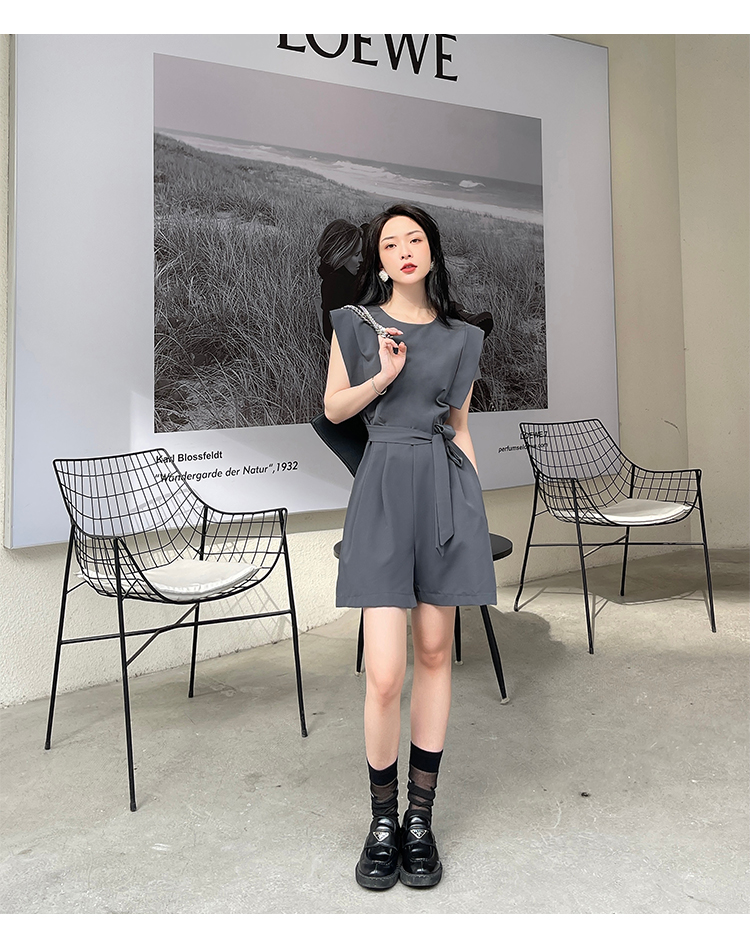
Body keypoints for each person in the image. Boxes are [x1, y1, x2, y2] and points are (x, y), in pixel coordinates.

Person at [324, 204, 497, 890]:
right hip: (383, 491)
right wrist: (384, 377)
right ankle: (381, 822)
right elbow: (335, 408)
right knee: (385, 673)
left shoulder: (462, 338)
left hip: (444, 492)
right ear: (379, 258)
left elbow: (460, 427)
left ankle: (419, 820)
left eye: (414, 239)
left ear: (432, 251)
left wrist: (473, 512)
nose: (403, 250)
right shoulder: (354, 325)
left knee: (434, 653)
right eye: (390, 242)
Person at [316, 219, 364, 342]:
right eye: (356, 254)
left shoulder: (342, 277)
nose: (361, 259)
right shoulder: (336, 284)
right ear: (341, 255)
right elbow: (339, 335)